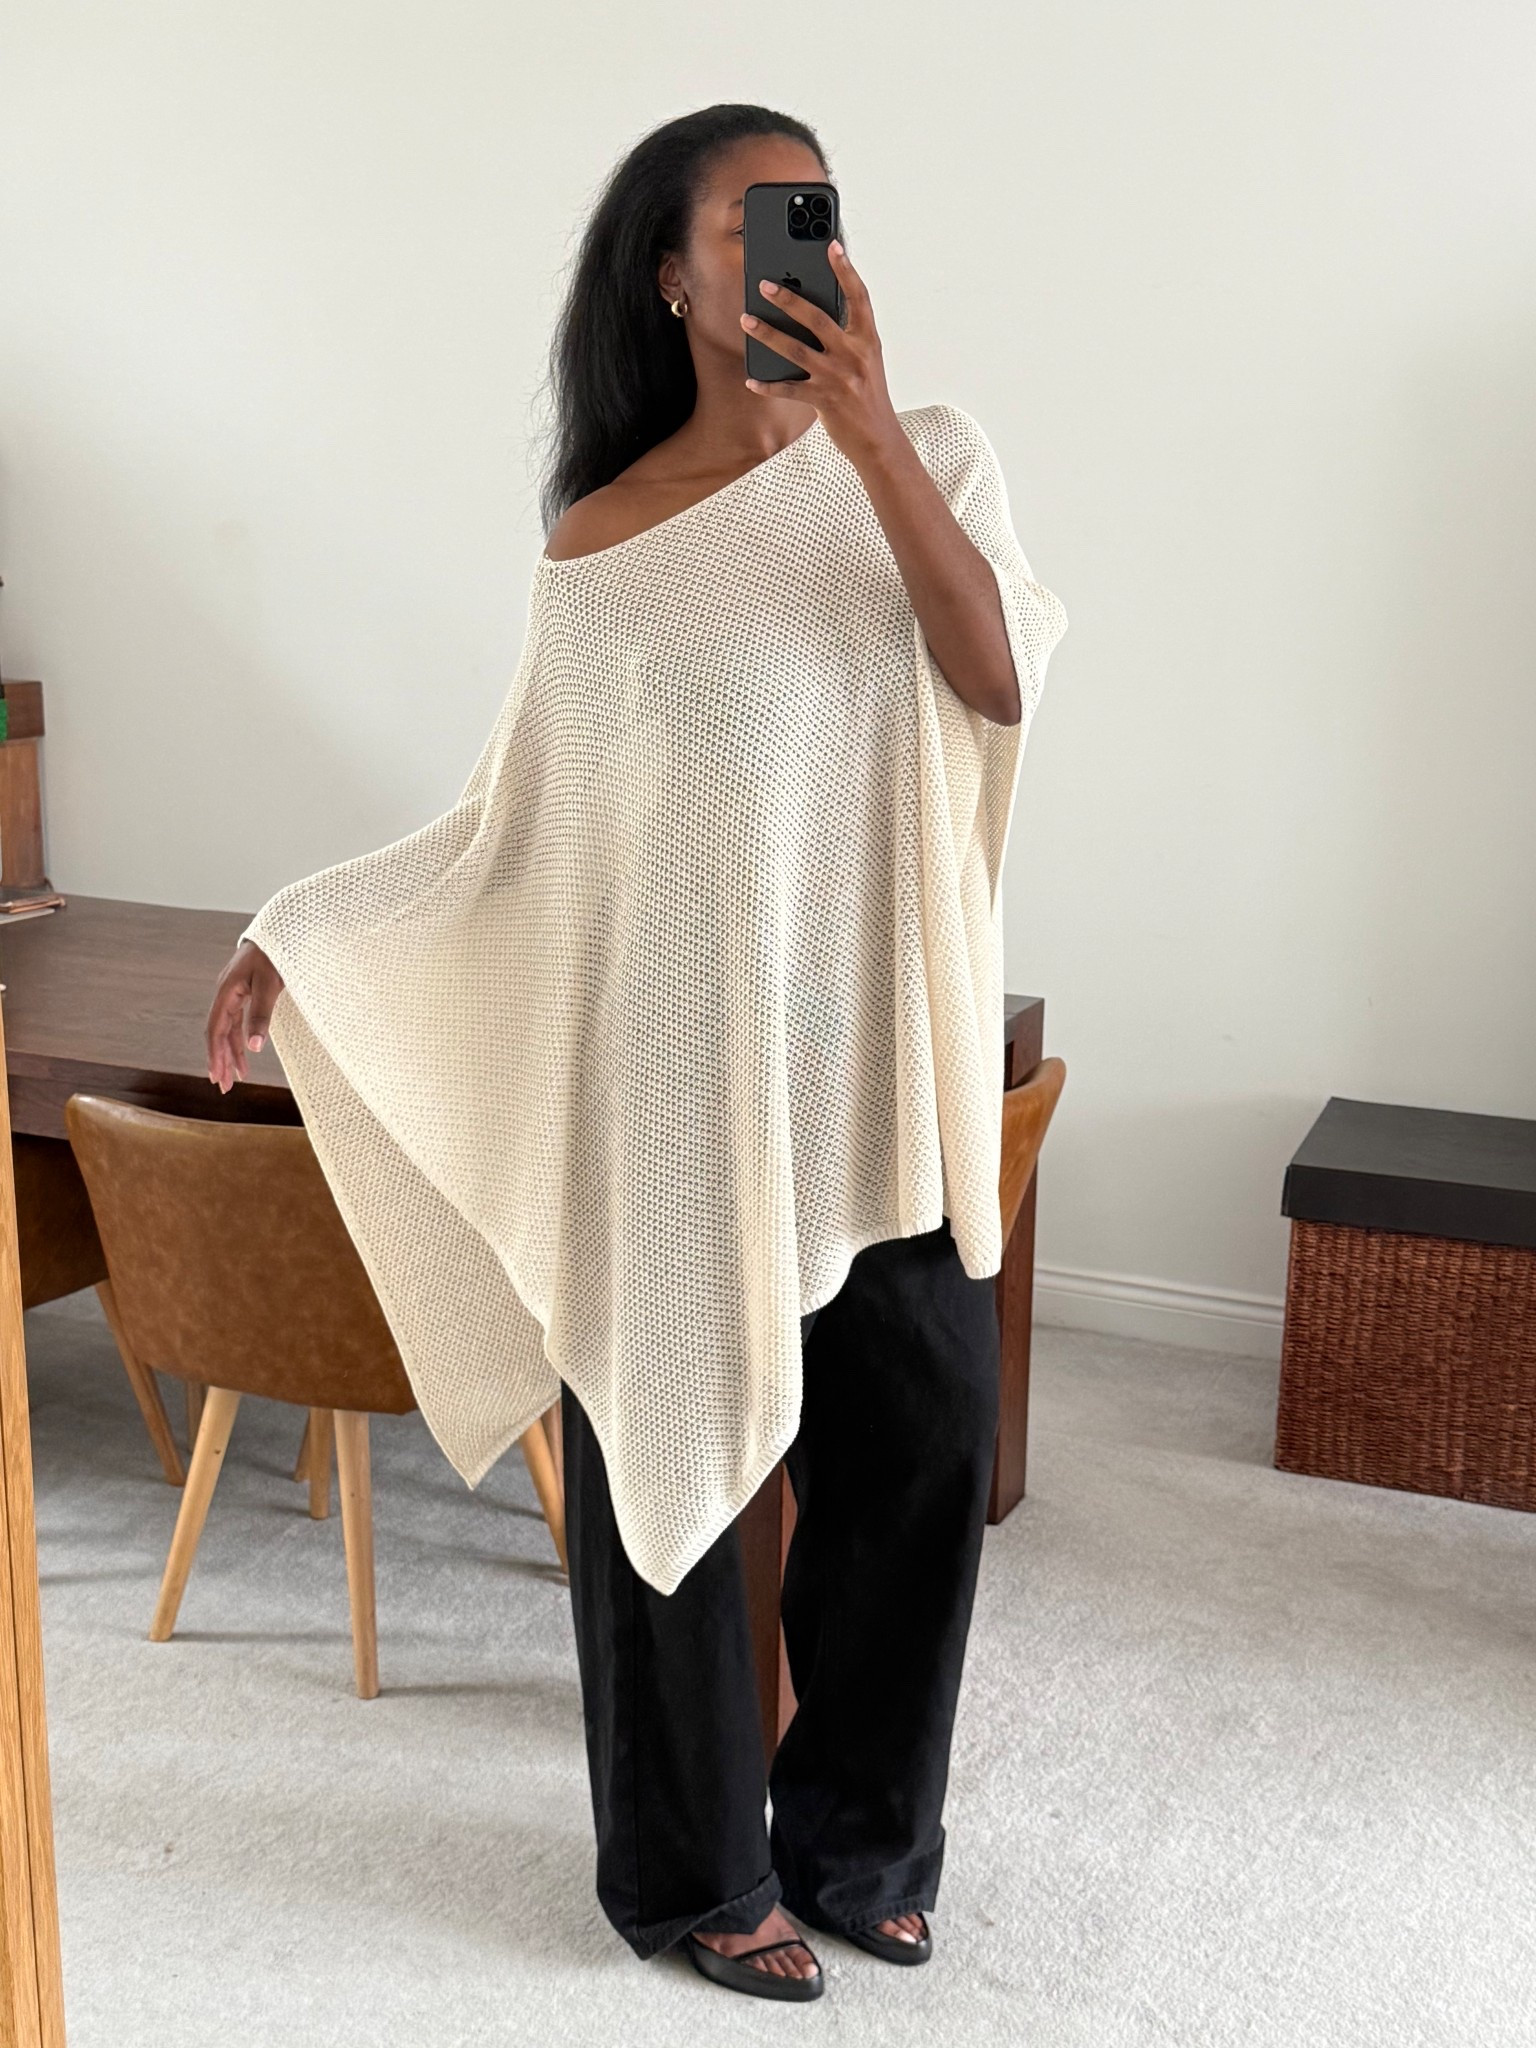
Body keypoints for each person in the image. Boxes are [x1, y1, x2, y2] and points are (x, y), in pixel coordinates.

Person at [206, 103, 1066, 2005]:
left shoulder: (930, 457)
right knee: (670, 1457)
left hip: (877, 1070)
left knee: (926, 1444)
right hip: (683, 1096)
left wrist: (865, 434)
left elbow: (995, 676)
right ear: (674, 276)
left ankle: (861, 1840)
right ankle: (690, 1873)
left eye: (817, 211)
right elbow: (519, 834)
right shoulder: (603, 549)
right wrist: (306, 929)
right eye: (756, 220)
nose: (799, 245)